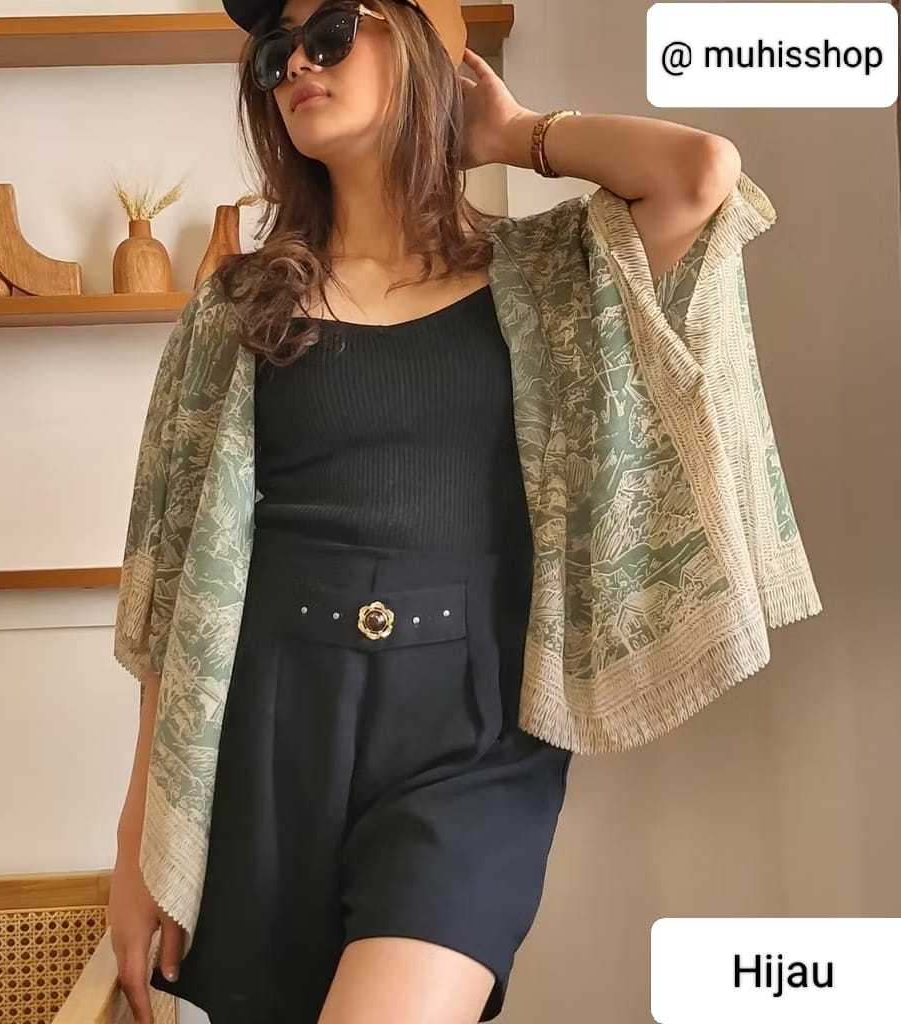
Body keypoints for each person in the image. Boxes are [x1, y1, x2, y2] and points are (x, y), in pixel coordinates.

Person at [109, 0, 746, 1021]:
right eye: (274, 52)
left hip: (472, 731)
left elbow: (698, 174)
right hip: (274, 724)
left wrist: (514, 135)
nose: (296, 64)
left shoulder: (546, 276)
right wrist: (139, 840)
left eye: (329, 31)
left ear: (416, 44)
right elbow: (172, 587)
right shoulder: (236, 306)